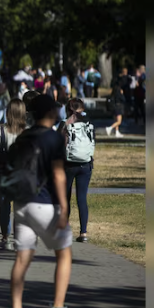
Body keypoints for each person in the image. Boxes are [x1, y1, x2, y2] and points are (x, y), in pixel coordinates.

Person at [7, 94, 82, 308]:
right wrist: (64, 207)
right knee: (64, 252)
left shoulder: (23, 136)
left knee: (22, 257)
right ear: (50, 112)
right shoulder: (53, 138)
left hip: (21, 204)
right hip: (45, 203)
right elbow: (59, 174)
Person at [0, 98, 27, 250]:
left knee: (4, 207)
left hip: (4, 173)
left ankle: (5, 237)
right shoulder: (28, 131)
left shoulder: (0, 130)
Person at [57, 98, 95, 244]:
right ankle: (83, 232)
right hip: (86, 164)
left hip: (68, 164)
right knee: (82, 198)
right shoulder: (89, 123)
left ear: (69, 109)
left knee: (65, 198)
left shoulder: (65, 123)